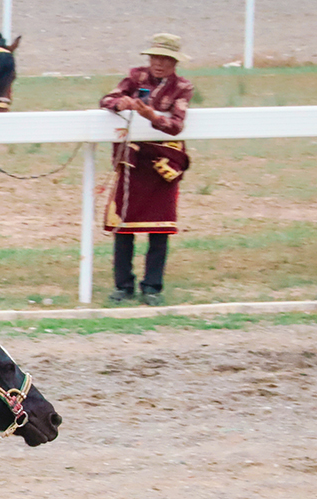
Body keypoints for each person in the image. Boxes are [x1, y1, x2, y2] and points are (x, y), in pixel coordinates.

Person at [100, 33, 194, 307]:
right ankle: (123, 285)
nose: (159, 63)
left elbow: (177, 124)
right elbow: (107, 99)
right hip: (134, 162)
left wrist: (151, 116)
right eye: (155, 57)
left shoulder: (183, 87)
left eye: (165, 59)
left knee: (160, 228)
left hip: (162, 163)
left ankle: (152, 286)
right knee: (124, 225)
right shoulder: (135, 78)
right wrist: (121, 104)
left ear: (174, 62)